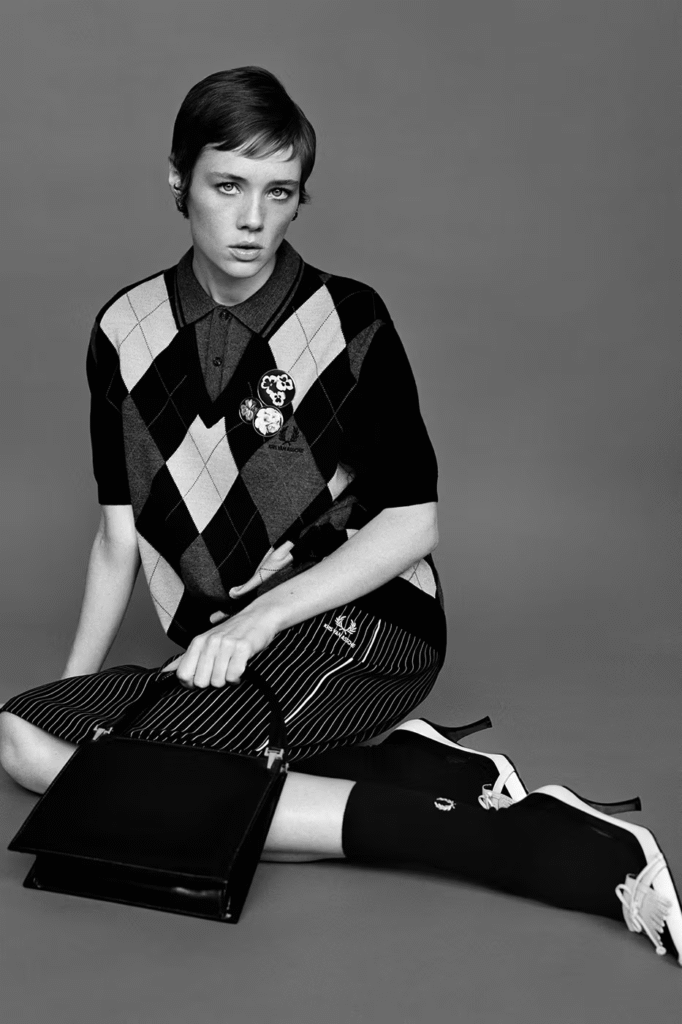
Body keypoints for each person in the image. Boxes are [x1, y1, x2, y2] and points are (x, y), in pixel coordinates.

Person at [0, 67, 680, 965]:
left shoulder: (349, 320)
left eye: (277, 193)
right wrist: (75, 705)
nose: (251, 220)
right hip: (230, 644)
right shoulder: (122, 331)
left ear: (297, 202)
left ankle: (510, 838)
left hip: (366, 622)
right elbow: (117, 535)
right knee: (21, 734)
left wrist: (262, 617)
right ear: (178, 182)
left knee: (163, 773)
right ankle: (415, 768)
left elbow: (412, 524)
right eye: (226, 186)